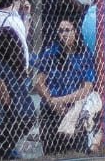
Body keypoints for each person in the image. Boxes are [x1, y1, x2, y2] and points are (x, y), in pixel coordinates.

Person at [33, 19, 95, 155]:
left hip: (74, 110)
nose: (64, 34)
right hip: (51, 111)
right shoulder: (51, 53)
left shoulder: (84, 53)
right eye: (61, 31)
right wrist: (52, 103)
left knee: (77, 153)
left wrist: (60, 101)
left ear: (75, 32)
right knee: (52, 154)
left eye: (67, 30)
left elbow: (87, 88)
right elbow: (38, 83)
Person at [0, 28, 34, 159]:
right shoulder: (14, 63)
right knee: (6, 149)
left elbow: (5, 98)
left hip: (15, 115)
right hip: (28, 112)